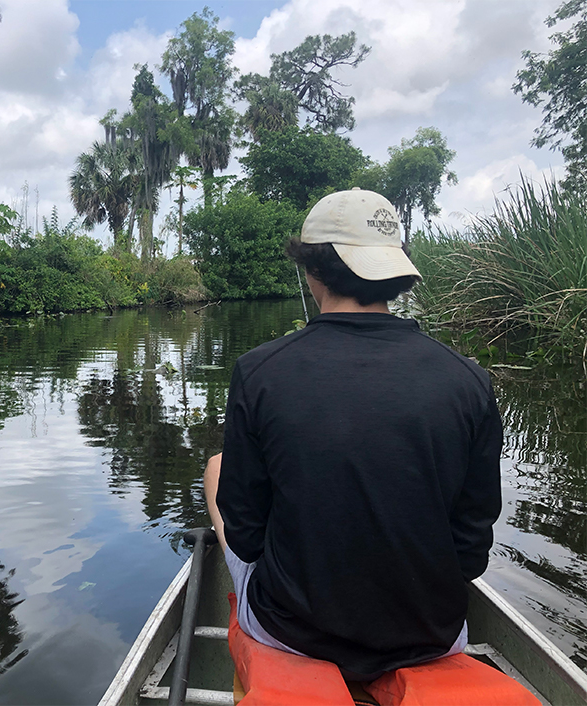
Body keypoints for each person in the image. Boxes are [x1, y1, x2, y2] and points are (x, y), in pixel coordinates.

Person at [204, 187, 503, 681]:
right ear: (393, 270)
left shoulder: (259, 372)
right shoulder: (468, 379)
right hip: (431, 633)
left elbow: (247, 536)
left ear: (313, 270)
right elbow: (470, 551)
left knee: (218, 467)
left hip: (294, 631)